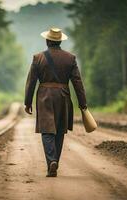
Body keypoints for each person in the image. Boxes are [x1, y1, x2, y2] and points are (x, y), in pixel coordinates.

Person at [24, 28, 87, 177]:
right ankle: (54, 162)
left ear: (47, 41)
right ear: (60, 41)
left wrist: (27, 102)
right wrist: (82, 102)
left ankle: (52, 161)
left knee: (47, 130)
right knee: (59, 130)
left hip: (44, 96)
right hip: (63, 96)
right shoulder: (70, 58)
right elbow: (77, 82)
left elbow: (31, 82)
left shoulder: (38, 58)